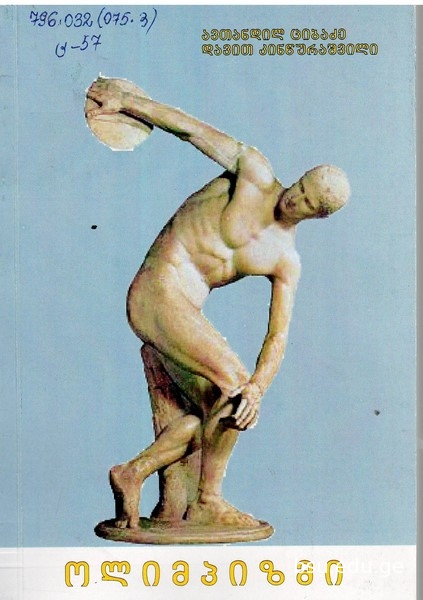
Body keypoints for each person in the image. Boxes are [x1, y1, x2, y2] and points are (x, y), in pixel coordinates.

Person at [87, 77, 350, 530]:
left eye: (307, 202)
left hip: (180, 315)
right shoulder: (255, 173)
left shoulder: (285, 260)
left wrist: (258, 388)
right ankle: (209, 500)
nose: (294, 198)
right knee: (233, 383)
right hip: (157, 287)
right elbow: (190, 130)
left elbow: (278, 335)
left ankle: (133, 474)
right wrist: (127, 101)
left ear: (318, 216)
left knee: (221, 410)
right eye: (301, 185)